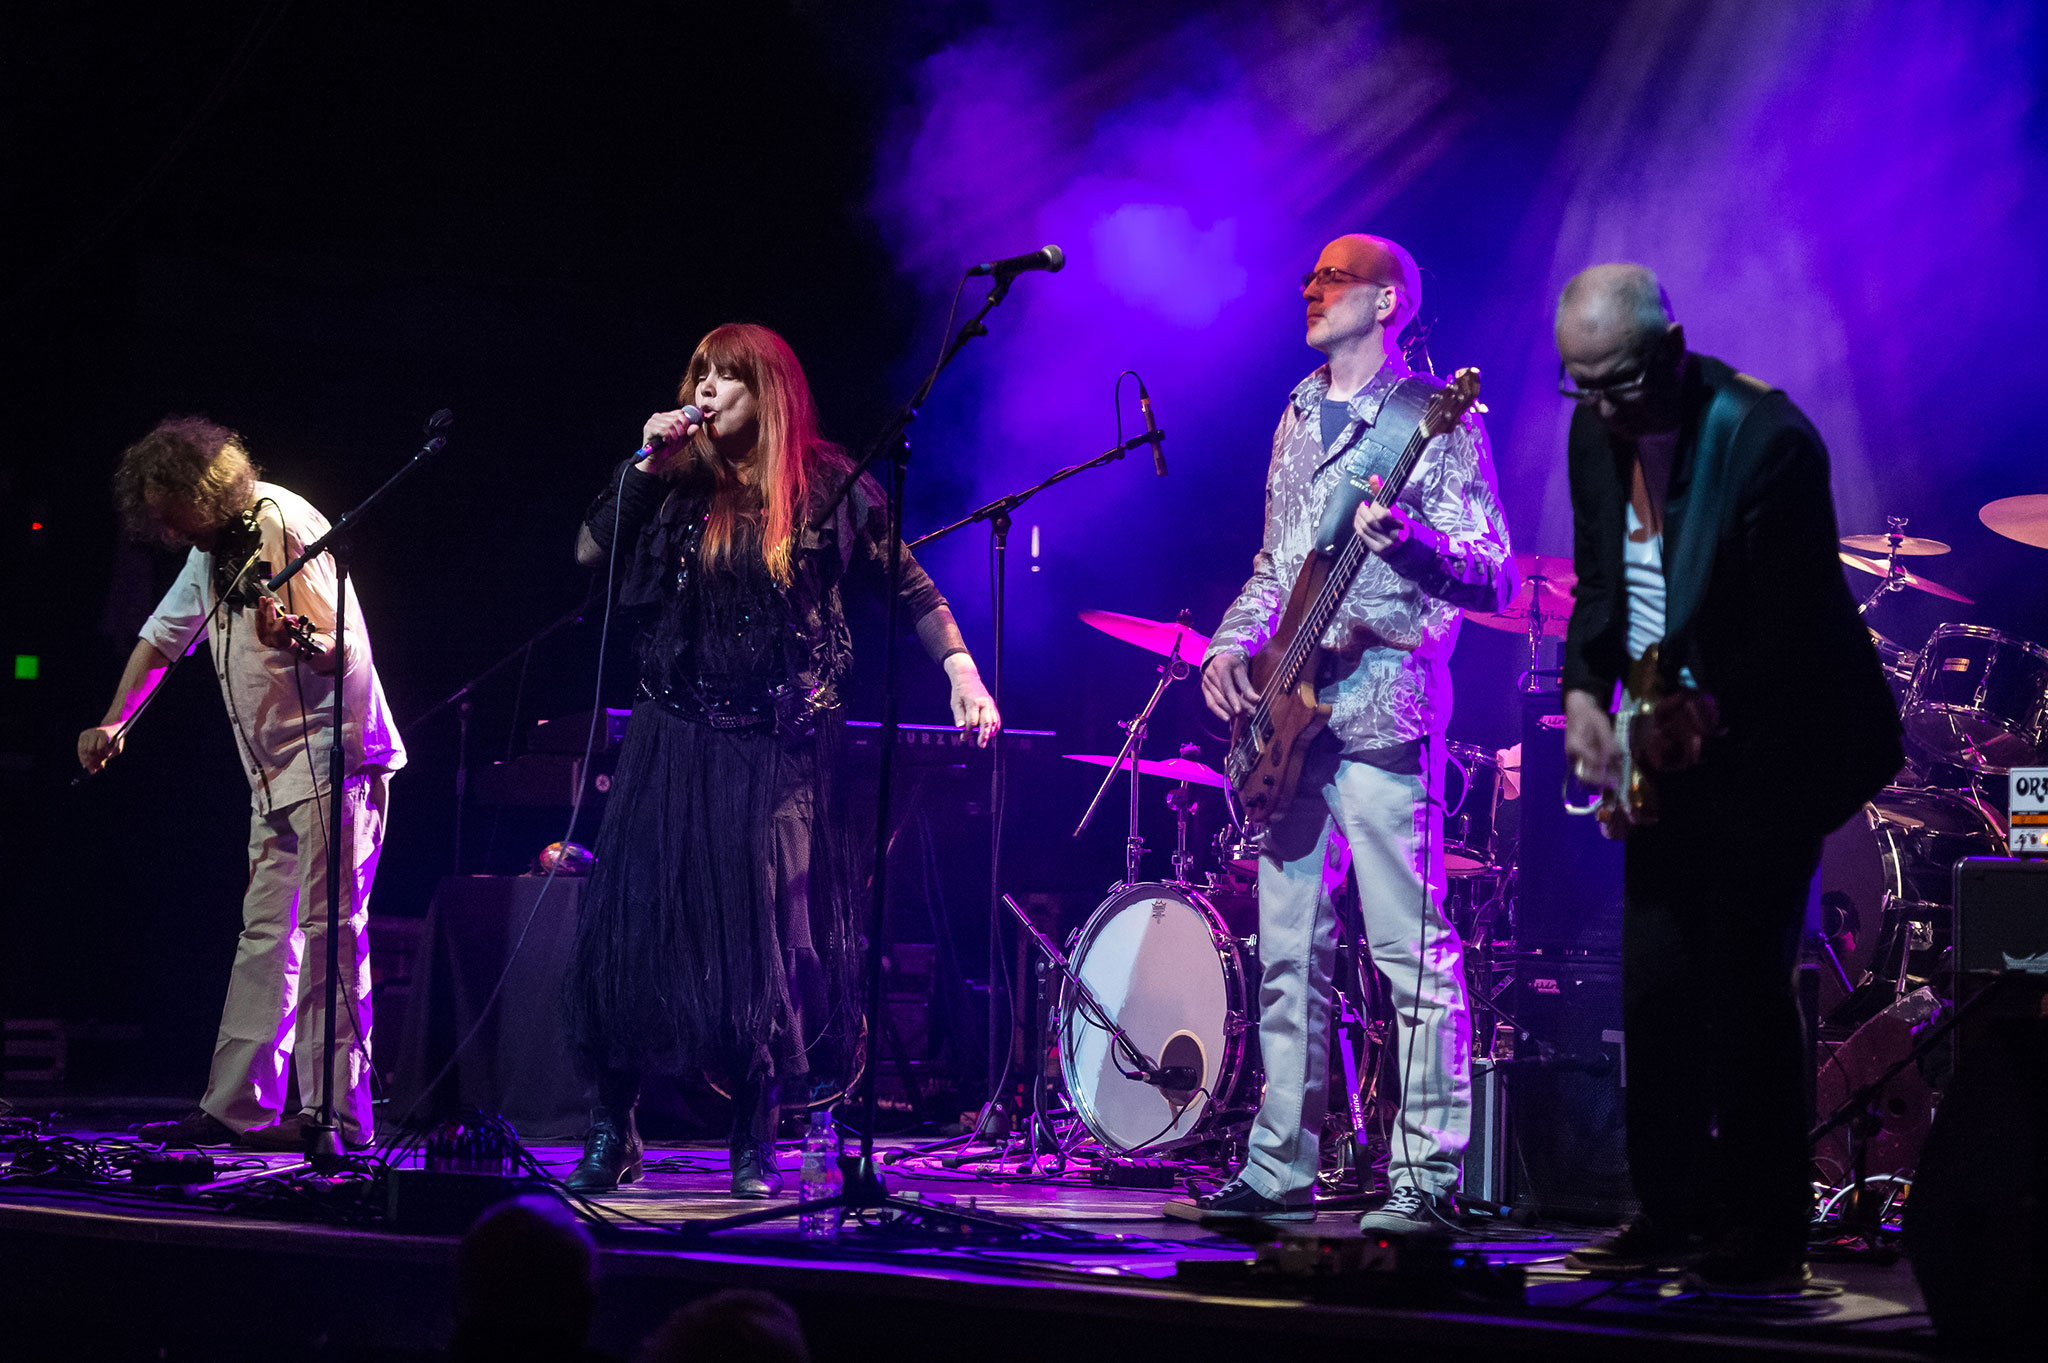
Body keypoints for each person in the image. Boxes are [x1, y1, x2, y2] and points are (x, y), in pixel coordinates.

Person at [563, 323, 999, 1197]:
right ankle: (615, 1123)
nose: (707, 389)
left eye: (728, 376)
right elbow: (588, 551)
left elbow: (911, 586)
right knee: (635, 928)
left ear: (769, 393)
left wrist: (961, 669)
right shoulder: (672, 479)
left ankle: (753, 1133)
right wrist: (643, 464)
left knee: (759, 942)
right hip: (670, 733)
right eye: (700, 373)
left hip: (773, 745)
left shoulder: (827, 486)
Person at [1553, 264, 1902, 1293]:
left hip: (1775, 741)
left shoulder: (1766, 439)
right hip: (1671, 731)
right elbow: (1599, 587)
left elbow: (1789, 631)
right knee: (1655, 983)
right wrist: (1585, 695)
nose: (1602, 412)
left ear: (1670, 350)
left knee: (1746, 985)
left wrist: (1703, 708)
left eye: (1618, 385)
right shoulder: (1592, 431)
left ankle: (1764, 1231)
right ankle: (1670, 1210)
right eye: (1581, 389)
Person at [1175, 234, 1517, 1233]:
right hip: (1290, 722)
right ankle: (1277, 1166)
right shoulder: (1293, 412)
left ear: (1387, 302)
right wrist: (1228, 645)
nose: (1310, 287)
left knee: (1411, 956)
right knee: (1287, 960)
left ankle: (1425, 1178)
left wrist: (1410, 545)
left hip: (1380, 716)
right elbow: (1276, 564)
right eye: (1310, 274)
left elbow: (1493, 569)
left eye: (1334, 277)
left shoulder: (1434, 417)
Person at [80, 416, 404, 1150]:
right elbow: (164, 636)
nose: (169, 531)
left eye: (173, 512)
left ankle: (336, 1118)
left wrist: (297, 639)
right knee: (265, 936)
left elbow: (347, 650)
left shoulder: (280, 523)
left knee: (329, 935)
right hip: (275, 773)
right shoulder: (216, 543)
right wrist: (114, 719)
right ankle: (237, 1108)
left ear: (201, 489)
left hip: (333, 756)